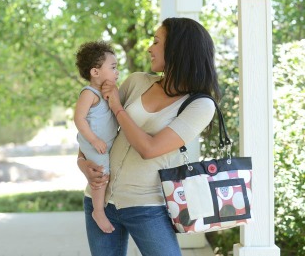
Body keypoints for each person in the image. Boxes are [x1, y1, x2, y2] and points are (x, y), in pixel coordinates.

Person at [77, 17, 221, 256]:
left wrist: (118, 108)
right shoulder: (137, 81)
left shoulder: (200, 105)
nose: (149, 48)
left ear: (177, 48)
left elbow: (150, 148)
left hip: (147, 207)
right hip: (98, 200)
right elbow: (96, 124)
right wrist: (82, 162)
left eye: (156, 42)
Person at [74, 41, 119, 233]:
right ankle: (98, 211)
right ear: (95, 72)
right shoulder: (89, 93)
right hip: (95, 142)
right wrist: (93, 140)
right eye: (113, 67)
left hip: (103, 143)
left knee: (104, 173)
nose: (117, 72)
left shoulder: (108, 93)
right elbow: (79, 118)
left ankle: (100, 208)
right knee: (101, 174)